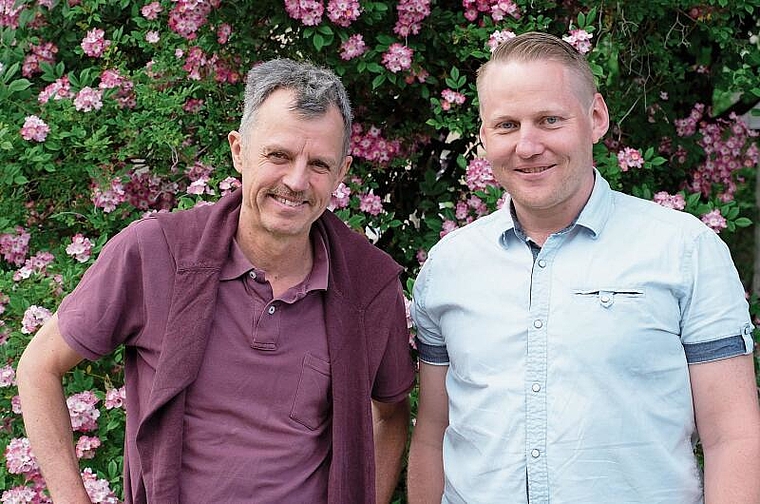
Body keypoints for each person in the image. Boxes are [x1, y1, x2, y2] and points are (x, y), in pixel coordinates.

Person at [17, 58, 415, 504]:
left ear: (341, 173)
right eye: (278, 155)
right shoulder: (157, 252)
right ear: (239, 150)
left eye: (319, 164)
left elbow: (391, 412)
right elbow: (38, 368)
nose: (296, 181)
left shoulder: (368, 284)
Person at [407, 31, 760, 504]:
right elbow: (433, 432)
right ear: (485, 133)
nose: (528, 146)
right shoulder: (448, 267)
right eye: (507, 125)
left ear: (595, 117)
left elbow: (732, 437)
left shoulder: (686, 251)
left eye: (549, 120)